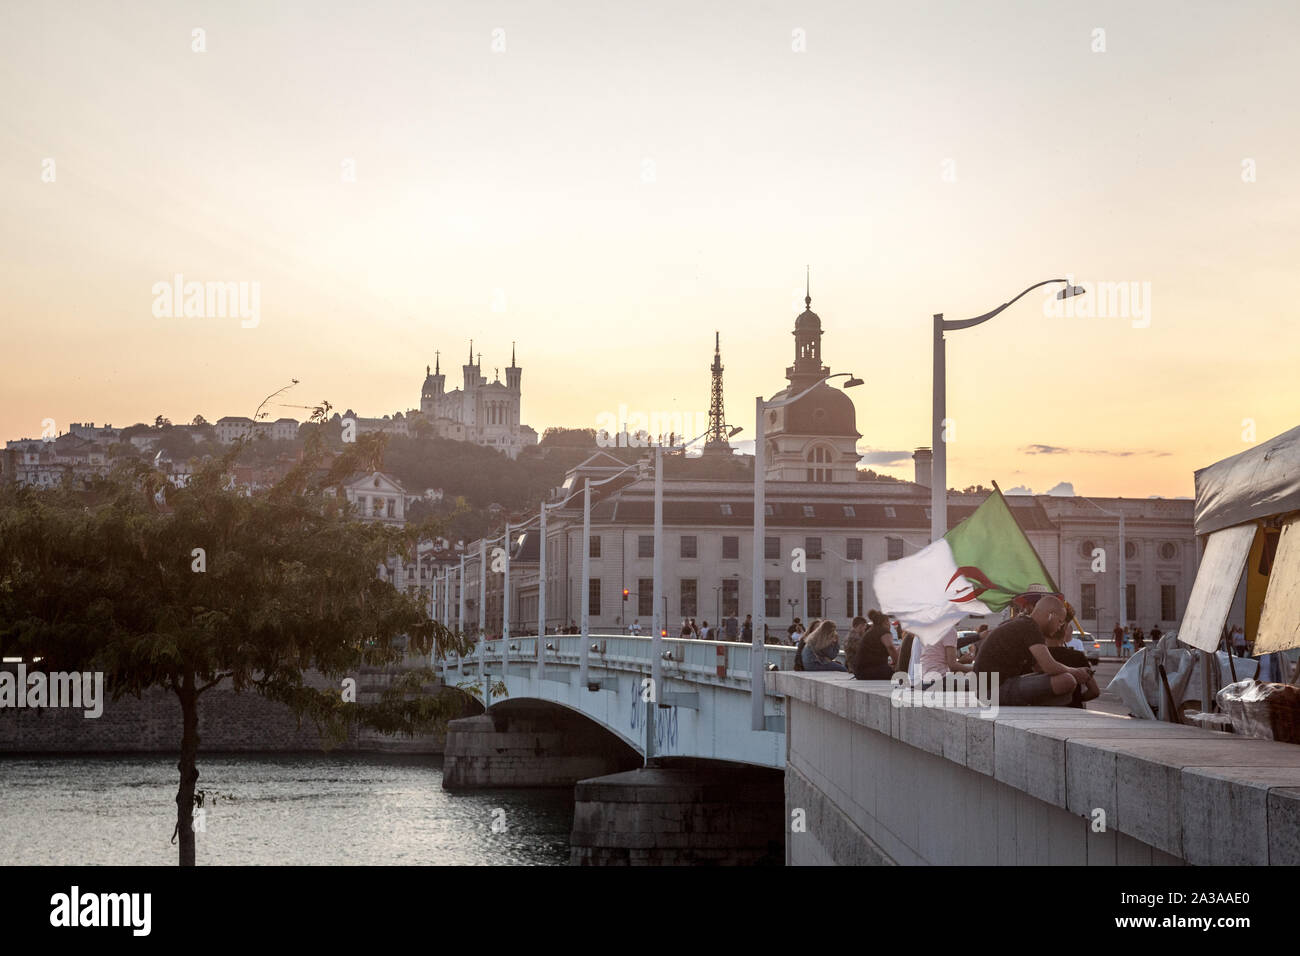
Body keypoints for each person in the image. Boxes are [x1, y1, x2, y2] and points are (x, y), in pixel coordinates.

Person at [971, 595, 1090, 706]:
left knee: (1063, 681)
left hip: (987, 689)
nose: (1059, 627)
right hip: (992, 691)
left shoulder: (1022, 623)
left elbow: (1039, 667)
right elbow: (1049, 666)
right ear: (1050, 616)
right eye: (1060, 622)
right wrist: (1075, 671)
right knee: (1067, 680)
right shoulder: (1031, 627)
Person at [1043, 620, 1099, 707]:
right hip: (1073, 710)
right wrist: (1076, 700)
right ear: (1064, 633)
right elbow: (1094, 691)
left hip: (1043, 711)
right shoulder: (1078, 656)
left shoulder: (1037, 657)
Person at [852, 610, 896, 680]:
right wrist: (898, 664)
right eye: (889, 621)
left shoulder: (870, 632)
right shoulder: (884, 631)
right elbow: (890, 647)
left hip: (860, 672)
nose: (890, 624)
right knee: (903, 674)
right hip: (871, 672)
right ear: (885, 622)